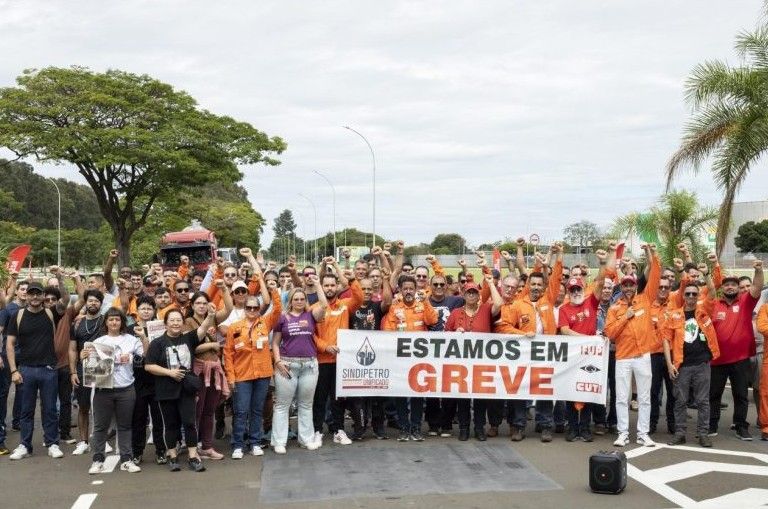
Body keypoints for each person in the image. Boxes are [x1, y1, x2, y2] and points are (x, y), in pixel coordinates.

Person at [501, 243, 564, 443]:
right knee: (521, 389)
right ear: (528, 286)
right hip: (523, 355)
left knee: (544, 389)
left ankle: (545, 426)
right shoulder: (519, 304)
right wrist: (521, 333)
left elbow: (556, 278)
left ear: (544, 287)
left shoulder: (549, 299)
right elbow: (504, 326)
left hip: (545, 355)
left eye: (539, 285)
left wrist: (557, 255)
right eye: (533, 284)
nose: (536, 288)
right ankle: (519, 426)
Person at [144, 307, 217, 472]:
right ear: (166, 324)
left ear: (183, 323)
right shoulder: (157, 343)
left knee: (190, 423)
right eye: (172, 320)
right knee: (170, 425)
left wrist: (211, 315)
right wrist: (169, 372)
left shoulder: (188, 338)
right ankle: (172, 455)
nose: (175, 323)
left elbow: (203, 329)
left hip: (186, 389)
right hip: (165, 389)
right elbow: (149, 366)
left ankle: (193, 456)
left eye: (178, 320)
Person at [605, 244, 660, 448]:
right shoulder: (614, 308)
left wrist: (650, 253)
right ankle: (622, 433)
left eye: (631, 285)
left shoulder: (645, 300)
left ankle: (643, 434)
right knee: (621, 398)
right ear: (621, 286)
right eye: (625, 285)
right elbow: (610, 334)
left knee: (644, 398)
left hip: (643, 356)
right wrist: (625, 318)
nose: (628, 288)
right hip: (623, 358)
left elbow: (654, 274)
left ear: (636, 286)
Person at [7, 281, 64, 460]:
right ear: (27, 295)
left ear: (42, 296)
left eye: (38, 293)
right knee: (26, 411)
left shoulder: (50, 312)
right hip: (26, 369)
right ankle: (25, 445)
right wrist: (14, 370)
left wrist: (59, 278)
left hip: (48, 369)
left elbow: (67, 300)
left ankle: (52, 443)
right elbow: (9, 344)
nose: (34, 297)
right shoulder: (18, 315)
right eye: (31, 293)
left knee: (50, 410)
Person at [82, 308, 145, 474]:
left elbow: (145, 354)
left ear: (122, 322)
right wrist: (85, 356)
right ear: (106, 323)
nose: (114, 322)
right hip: (103, 389)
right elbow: (90, 366)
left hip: (126, 388)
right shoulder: (99, 341)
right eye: (111, 320)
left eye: (117, 319)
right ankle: (97, 460)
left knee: (125, 426)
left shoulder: (131, 340)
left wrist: (141, 340)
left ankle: (126, 459)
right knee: (100, 427)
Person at [708, 260, 764, 440]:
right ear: (722, 288)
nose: (730, 287)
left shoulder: (746, 302)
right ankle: (712, 424)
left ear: (739, 288)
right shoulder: (714, 304)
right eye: (727, 284)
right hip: (717, 359)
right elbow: (708, 290)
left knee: (740, 394)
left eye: (734, 284)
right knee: (714, 394)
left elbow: (757, 285)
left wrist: (758, 269)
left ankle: (741, 426)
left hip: (740, 359)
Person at [443, 275, 503, 441]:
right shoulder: (455, 313)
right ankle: (463, 427)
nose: (471, 295)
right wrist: (454, 334)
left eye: (474, 293)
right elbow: (445, 335)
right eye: (468, 293)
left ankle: (479, 428)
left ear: (478, 296)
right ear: (463, 295)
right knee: (462, 397)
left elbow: (499, 304)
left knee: (480, 398)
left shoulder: (485, 310)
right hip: (461, 363)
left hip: (482, 362)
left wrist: (490, 283)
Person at [271, 280, 328, 453]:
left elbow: (324, 305)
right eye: (296, 299)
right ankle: (279, 442)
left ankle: (306, 439)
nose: (299, 301)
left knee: (305, 404)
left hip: (309, 365)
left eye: (302, 298)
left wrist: (318, 284)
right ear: (290, 300)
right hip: (287, 365)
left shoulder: (311, 315)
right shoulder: (282, 317)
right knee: (282, 405)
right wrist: (278, 361)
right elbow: (275, 343)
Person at [558, 249, 608, 442]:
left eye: (578, 289)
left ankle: (585, 427)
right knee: (571, 391)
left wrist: (602, 264)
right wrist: (585, 338)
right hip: (572, 356)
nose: (576, 292)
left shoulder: (591, 303)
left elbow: (601, 283)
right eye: (572, 290)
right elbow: (564, 330)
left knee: (587, 390)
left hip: (590, 355)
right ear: (568, 292)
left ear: (582, 288)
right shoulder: (564, 309)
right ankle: (572, 427)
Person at [312, 261, 364, 447]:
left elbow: (359, 297)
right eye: (326, 285)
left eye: (332, 285)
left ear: (338, 287)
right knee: (319, 398)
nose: (329, 288)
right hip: (321, 360)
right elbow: (311, 336)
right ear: (322, 287)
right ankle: (317, 430)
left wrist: (347, 277)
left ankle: (338, 430)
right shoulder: (315, 309)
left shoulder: (344, 305)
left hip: (341, 361)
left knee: (338, 398)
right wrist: (325, 347)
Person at [663, 279, 719, 448]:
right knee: (680, 401)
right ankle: (680, 434)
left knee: (703, 401)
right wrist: (669, 364)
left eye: (694, 294)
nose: (691, 296)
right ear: (683, 296)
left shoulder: (704, 311)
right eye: (688, 294)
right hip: (682, 365)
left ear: (698, 295)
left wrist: (707, 274)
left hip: (702, 364)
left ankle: (703, 434)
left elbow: (713, 292)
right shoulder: (674, 315)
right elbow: (666, 340)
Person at [223, 289, 279, 459]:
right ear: (244, 308)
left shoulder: (265, 323)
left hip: (262, 375)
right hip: (242, 376)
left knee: (257, 410)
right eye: (249, 307)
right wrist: (231, 378)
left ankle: (255, 442)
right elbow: (228, 354)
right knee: (240, 411)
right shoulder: (234, 328)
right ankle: (238, 444)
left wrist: (273, 289)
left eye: (256, 308)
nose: (252, 311)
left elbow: (277, 309)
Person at [382, 275, 439, 441]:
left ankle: (415, 428)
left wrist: (426, 301)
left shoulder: (422, 305)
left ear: (415, 290)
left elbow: (433, 320)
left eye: (411, 289)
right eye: (405, 288)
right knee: (400, 393)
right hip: (400, 359)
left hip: (419, 359)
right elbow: (388, 331)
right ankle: (404, 428)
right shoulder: (394, 308)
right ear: (400, 290)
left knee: (417, 394)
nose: (408, 291)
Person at [184, 281, 232, 461]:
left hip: (214, 371)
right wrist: (211, 345)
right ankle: (193, 446)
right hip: (199, 371)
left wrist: (224, 289)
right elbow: (188, 347)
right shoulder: (188, 322)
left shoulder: (212, 318)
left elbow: (228, 309)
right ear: (192, 305)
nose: (202, 306)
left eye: (205, 303)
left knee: (209, 410)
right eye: (198, 303)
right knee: (197, 409)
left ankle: (207, 446)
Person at [348, 269, 393, 439]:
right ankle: (359, 428)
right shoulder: (351, 307)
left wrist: (386, 280)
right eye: (363, 288)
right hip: (354, 358)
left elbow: (387, 302)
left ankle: (378, 428)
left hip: (375, 358)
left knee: (377, 396)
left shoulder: (376, 306)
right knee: (357, 397)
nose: (366, 292)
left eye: (369, 289)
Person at [129, 296, 166, 464]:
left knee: (159, 418)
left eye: (149, 308)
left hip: (157, 378)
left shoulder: (160, 328)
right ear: (137, 310)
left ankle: (161, 450)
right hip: (136, 378)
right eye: (143, 308)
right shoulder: (129, 329)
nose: (146, 311)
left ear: (154, 310)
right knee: (138, 418)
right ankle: (137, 451)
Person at [69, 289, 106, 456]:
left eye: (96, 301)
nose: (93, 303)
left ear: (101, 303)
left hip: (103, 367)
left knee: (102, 406)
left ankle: (101, 440)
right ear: (85, 302)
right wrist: (72, 372)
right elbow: (72, 349)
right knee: (83, 406)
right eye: (90, 300)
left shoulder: (106, 321)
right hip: (82, 368)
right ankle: (83, 441)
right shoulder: (77, 324)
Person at [0, 278, 26, 455]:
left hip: (17, 356)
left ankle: (6, 433)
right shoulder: (9, 309)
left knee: (12, 392)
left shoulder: (27, 310)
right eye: (21, 289)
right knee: (2, 394)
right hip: (6, 356)